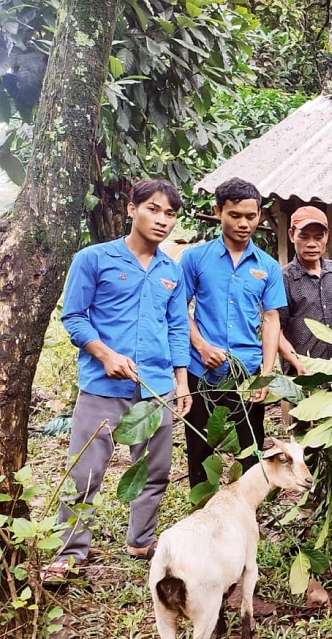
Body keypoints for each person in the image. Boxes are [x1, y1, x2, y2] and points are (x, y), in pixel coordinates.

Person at [43, 179, 192, 583]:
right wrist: (106, 355)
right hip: (103, 388)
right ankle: (69, 552)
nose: (162, 220)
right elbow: (73, 316)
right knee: (85, 473)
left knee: (155, 470)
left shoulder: (170, 270)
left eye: (170, 214)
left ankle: (142, 540)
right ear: (132, 209)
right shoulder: (94, 259)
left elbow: (177, 327)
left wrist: (181, 381)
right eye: (153, 209)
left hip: (156, 388)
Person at [180, 177, 287, 488]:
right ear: (218, 212)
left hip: (247, 372)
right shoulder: (195, 258)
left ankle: (246, 511)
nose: (244, 223)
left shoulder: (267, 267)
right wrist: (200, 345)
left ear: (259, 215)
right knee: (200, 446)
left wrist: (265, 375)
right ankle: (202, 509)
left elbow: (270, 319)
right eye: (235, 215)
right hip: (202, 372)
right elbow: (178, 311)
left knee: (250, 447)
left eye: (251, 217)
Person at [277, 206, 332, 375]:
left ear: (326, 236)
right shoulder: (284, 279)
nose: (312, 244)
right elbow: (275, 330)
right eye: (304, 237)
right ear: (291, 235)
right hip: (305, 372)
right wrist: (296, 363)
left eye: (318, 237)